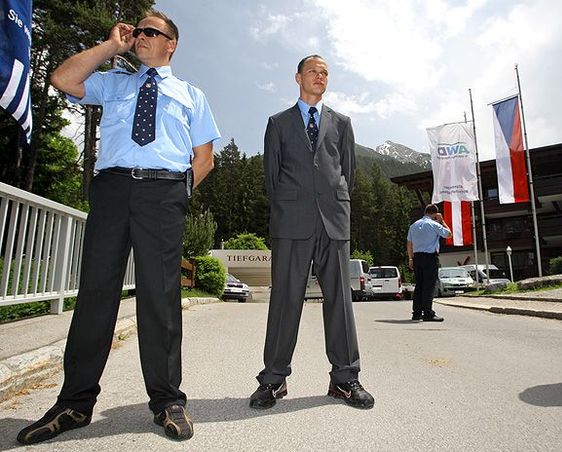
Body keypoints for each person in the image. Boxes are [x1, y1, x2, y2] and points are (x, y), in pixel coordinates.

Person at [17, 10, 220, 444]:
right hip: (111, 191)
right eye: (138, 30)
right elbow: (62, 80)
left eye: (151, 31)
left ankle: (167, 401)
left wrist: (177, 195)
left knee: (160, 298)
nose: (141, 35)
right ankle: (74, 403)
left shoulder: (191, 95)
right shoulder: (113, 82)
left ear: (172, 43)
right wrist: (112, 46)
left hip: (163, 195)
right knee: (95, 293)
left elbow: (204, 158)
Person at [250, 55, 374, 410]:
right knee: (285, 300)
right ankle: (273, 380)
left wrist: (332, 203)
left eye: (325, 73)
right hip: (291, 221)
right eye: (313, 71)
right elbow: (271, 178)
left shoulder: (342, 123)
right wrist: (294, 205)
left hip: (334, 221)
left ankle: (345, 379)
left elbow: (346, 171)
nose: (319, 77)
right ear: (298, 77)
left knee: (340, 301)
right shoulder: (277, 123)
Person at [406, 204, 452, 321]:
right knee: (429, 286)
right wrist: (442, 221)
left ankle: (416, 313)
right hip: (430, 257)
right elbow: (449, 234)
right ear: (435, 214)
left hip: (417, 257)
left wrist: (411, 258)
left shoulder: (413, 225)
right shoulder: (434, 224)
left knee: (419, 286)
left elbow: (409, 244)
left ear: (425, 212)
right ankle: (428, 313)